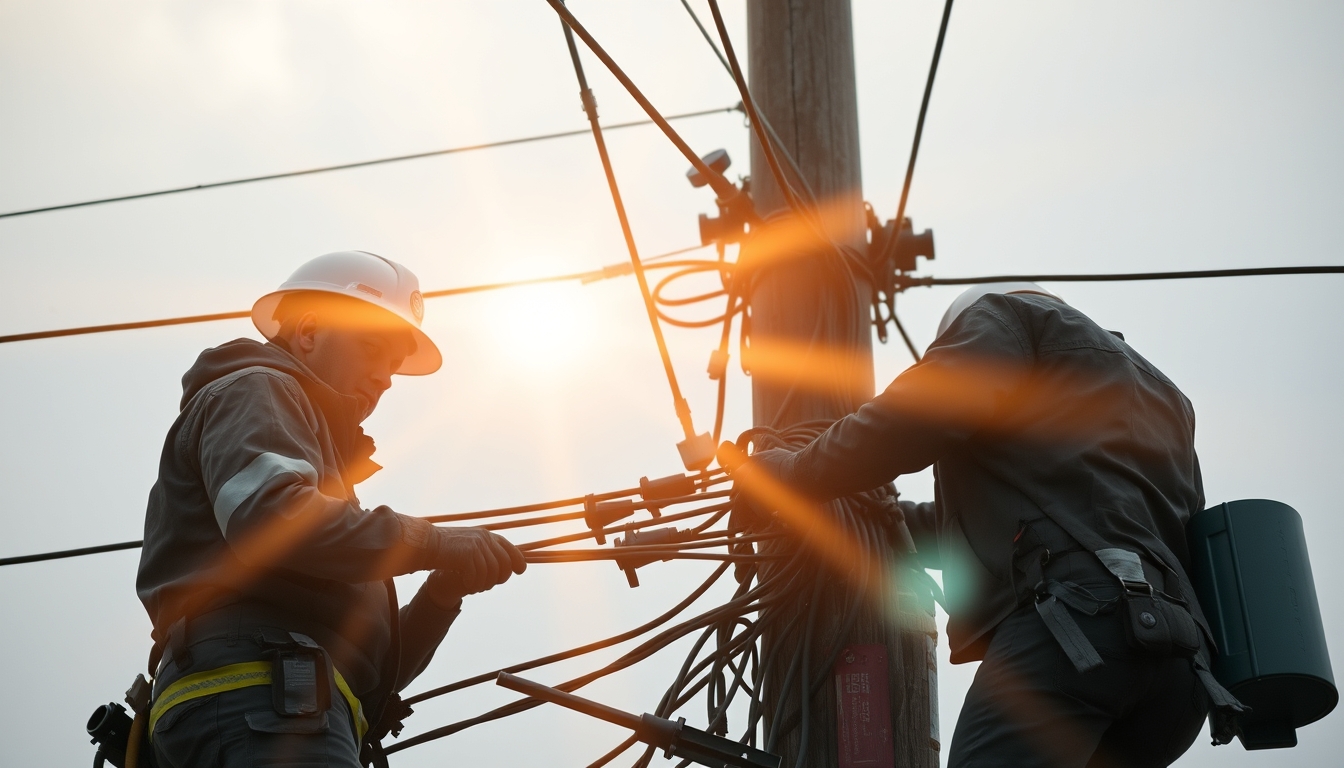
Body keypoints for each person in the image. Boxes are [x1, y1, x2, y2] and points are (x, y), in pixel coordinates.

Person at [740, 283, 1241, 767]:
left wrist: (791, 474)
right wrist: (879, 522)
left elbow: (916, 413)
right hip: (1180, 674)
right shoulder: (1162, 394)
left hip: (1080, 632)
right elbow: (1036, 520)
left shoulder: (1011, 319)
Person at [137, 251, 526, 768]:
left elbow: (367, 668)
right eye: (372, 349)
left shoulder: (326, 483)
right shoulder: (260, 386)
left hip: (273, 704)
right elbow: (271, 518)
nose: (386, 379)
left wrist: (441, 593)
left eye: (393, 367)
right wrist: (433, 541)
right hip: (264, 698)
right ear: (310, 331)